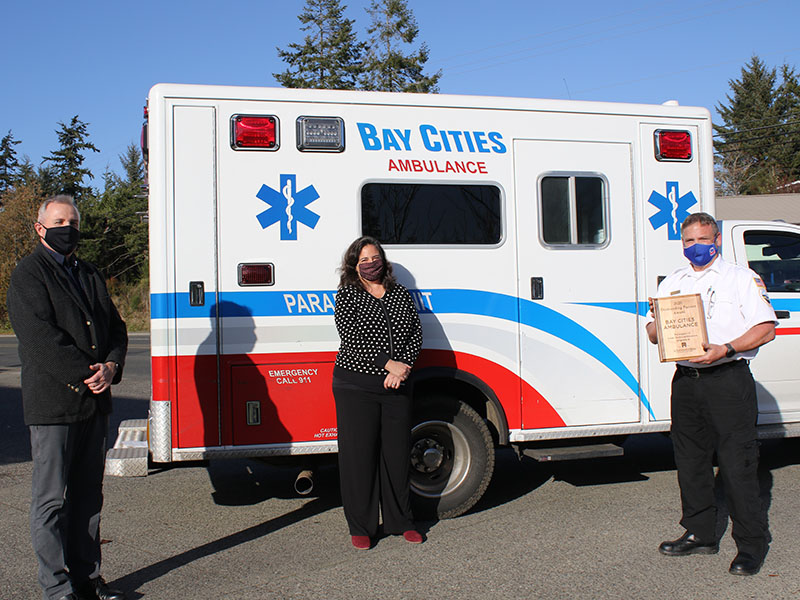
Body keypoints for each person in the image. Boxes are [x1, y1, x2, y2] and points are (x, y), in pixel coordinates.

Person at [7, 195, 128, 600]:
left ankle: (87, 579)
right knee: (51, 502)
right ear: (40, 228)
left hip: (93, 404)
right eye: (59, 221)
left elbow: (116, 328)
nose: (68, 228)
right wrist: (87, 374)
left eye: (73, 222)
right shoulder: (29, 274)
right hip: (54, 404)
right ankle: (58, 589)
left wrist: (110, 366)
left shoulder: (88, 272)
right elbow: (40, 339)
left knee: (88, 496)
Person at [646, 212, 776, 576]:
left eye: (703, 240)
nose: (696, 247)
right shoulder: (672, 282)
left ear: (716, 240)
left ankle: (751, 545)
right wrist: (659, 321)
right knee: (690, 462)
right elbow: (654, 335)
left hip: (728, 378)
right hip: (686, 381)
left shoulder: (740, 279)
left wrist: (728, 349)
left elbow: (766, 329)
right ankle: (700, 533)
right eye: (689, 241)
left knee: (738, 465)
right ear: (682, 244)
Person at [332, 236, 424, 549]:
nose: (371, 264)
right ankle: (361, 527)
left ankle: (402, 522)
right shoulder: (347, 295)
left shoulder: (399, 294)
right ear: (354, 265)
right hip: (356, 386)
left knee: (397, 457)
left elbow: (415, 333)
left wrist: (403, 368)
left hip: (396, 386)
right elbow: (352, 340)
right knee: (359, 458)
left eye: (375, 258)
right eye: (364, 260)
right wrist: (388, 365)